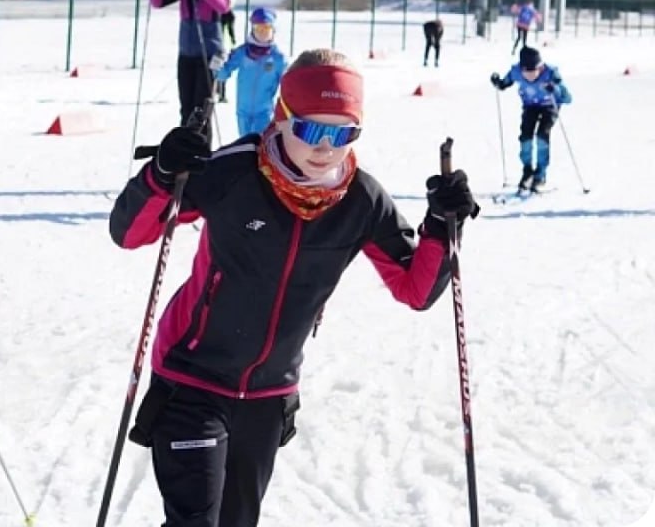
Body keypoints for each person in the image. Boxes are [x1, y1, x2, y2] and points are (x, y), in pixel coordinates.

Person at [109, 48, 478, 527]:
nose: (325, 146)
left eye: (343, 132)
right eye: (311, 128)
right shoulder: (233, 171)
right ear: (282, 118)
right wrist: (161, 173)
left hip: (268, 395)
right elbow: (129, 232)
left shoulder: (362, 200)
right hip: (191, 378)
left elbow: (418, 289)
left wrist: (442, 225)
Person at [144, 0, 233, 125]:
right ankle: (185, 149)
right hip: (186, 52)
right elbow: (160, 2)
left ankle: (202, 150)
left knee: (202, 108)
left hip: (209, 53)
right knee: (186, 107)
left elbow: (224, 6)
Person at [490, 46, 572, 193]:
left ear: (540, 67)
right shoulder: (516, 72)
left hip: (549, 106)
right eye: (526, 72)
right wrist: (498, 83)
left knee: (542, 136)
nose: (530, 76)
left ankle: (540, 175)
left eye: (534, 71)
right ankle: (527, 170)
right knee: (525, 138)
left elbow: (567, 98)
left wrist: (554, 89)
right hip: (530, 107)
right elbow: (505, 83)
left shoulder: (551, 73)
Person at [213, 7, 286, 137]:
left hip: (263, 111)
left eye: (266, 29)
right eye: (258, 28)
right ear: (252, 29)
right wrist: (217, 66)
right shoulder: (242, 52)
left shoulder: (277, 58)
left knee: (259, 142)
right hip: (243, 110)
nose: (262, 33)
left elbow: (287, 83)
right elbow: (223, 73)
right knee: (244, 142)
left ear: (273, 30)